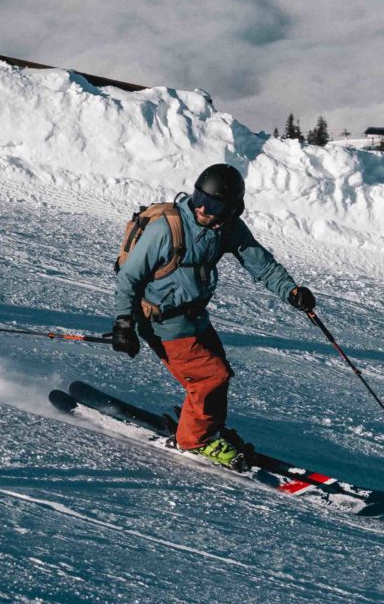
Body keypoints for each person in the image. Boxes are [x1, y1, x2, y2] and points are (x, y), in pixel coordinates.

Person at [110, 162, 316, 467]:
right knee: (210, 378)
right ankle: (195, 439)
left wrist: (291, 291)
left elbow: (262, 265)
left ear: (233, 209)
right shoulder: (166, 229)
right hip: (162, 321)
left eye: (213, 204)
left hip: (194, 318)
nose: (203, 209)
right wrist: (124, 322)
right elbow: (129, 277)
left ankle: (205, 424)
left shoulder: (228, 227)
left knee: (219, 375)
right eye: (199, 199)